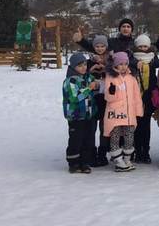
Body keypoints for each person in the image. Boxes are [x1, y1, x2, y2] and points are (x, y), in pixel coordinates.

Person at [104, 52, 144, 172]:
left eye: (125, 64)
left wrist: (138, 111)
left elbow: (137, 96)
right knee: (115, 135)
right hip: (115, 113)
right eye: (120, 64)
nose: (123, 66)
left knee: (129, 136)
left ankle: (127, 158)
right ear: (115, 65)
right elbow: (108, 98)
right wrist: (111, 92)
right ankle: (118, 160)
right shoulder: (110, 77)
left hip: (129, 114)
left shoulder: (131, 78)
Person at [62, 53, 99, 173]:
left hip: (89, 115)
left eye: (84, 64)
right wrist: (90, 88)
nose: (83, 67)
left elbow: (96, 90)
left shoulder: (89, 77)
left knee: (88, 140)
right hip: (76, 116)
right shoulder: (70, 81)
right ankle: (73, 163)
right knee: (76, 140)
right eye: (80, 66)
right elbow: (75, 97)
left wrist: (97, 86)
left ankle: (85, 162)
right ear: (73, 67)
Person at [132, 34, 158, 163]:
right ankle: (137, 151)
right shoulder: (132, 58)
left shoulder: (153, 58)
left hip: (148, 97)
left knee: (146, 127)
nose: (143, 48)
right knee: (136, 127)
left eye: (145, 46)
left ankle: (145, 152)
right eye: (140, 46)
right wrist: (136, 63)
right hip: (135, 97)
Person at [88, 34, 110, 166]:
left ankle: (102, 153)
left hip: (105, 98)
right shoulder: (89, 60)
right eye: (97, 46)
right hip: (92, 98)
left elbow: (115, 74)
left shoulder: (110, 59)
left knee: (104, 128)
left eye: (102, 46)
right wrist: (91, 71)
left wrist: (105, 69)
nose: (100, 48)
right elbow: (82, 75)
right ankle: (91, 153)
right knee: (91, 128)